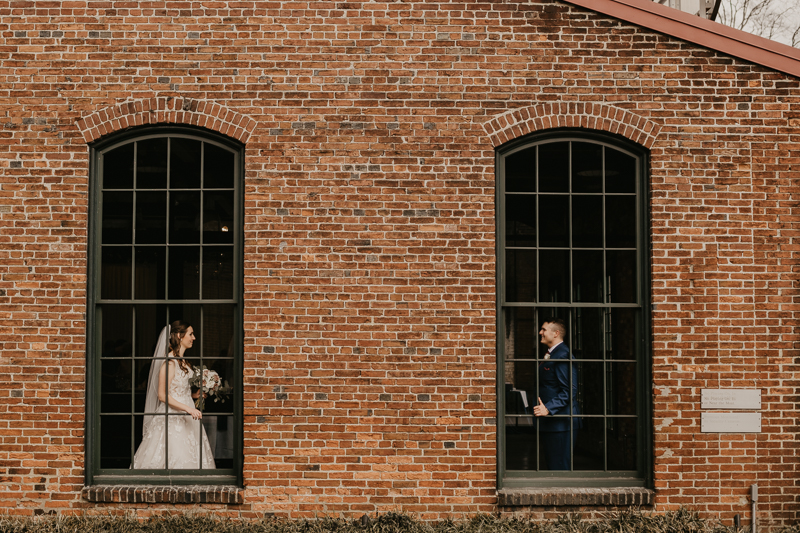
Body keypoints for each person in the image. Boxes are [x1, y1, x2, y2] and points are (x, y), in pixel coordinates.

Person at [132, 320, 216, 469]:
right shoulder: (170, 363)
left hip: (187, 413)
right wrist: (188, 408)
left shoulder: (183, 361)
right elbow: (162, 395)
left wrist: (194, 396)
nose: (194, 338)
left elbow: (178, 389)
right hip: (173, 416)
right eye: (191, 334)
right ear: (179, 335)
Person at [533, 318, 579, 470]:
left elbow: (569, 390)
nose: (540, 332)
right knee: (552, 467)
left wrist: (548, 408)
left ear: (556, 333)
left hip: (560, 424)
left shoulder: (562, 355)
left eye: (544, 329)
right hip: (552, 424)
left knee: (559, 469)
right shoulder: (552, 354)